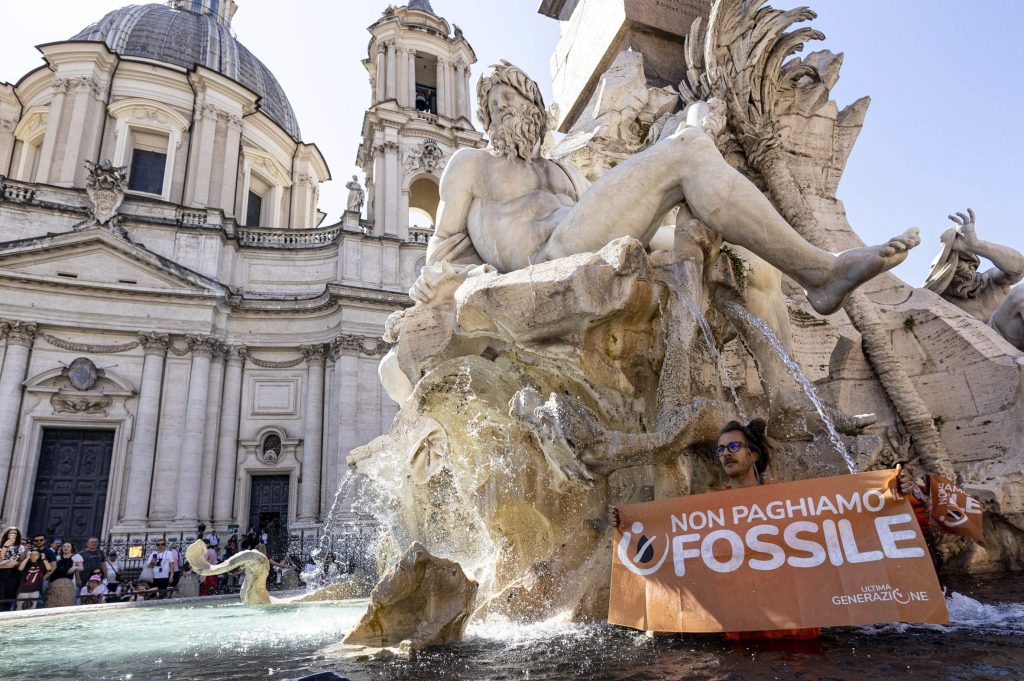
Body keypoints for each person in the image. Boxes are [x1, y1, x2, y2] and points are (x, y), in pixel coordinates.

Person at [410, 61, 919, 318]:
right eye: (492, 105)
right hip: (546, 259)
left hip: (582, 237)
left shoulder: (563, 173)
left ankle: (788, 411)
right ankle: (823, 272)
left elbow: (619, 210)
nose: (501, 110)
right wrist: (447, 280)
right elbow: (441, 253)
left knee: (749, 260)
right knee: (688, 149)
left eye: (509, 98)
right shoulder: (470, 164)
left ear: (534, 105)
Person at [609, 419, 919, 641]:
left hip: (796, 630)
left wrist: (897, 491)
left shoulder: (788, 501)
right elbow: (674, 543)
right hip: (741, 634)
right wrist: (626, 524)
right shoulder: (709, 507)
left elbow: (848, 516)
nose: (726, 453)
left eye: (733, 446)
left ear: (753, 454)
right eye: (720, 450)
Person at [923, 208, 1024, 350]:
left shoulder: (989, 281)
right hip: (979, 350)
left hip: (1008, 336)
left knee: (1021, 293)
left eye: (970, 262)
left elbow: (1018, 268)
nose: (968, 267)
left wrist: (976, 245)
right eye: (958, 261)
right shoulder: (941, 302)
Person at [0, 526, 25, 610]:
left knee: (9, 595)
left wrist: (15, 563)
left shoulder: (20, 547)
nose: (13, 535)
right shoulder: (1, 545)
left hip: (13, 573)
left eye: (15, 533)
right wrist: (6, 546)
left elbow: (22, 561)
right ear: (7, 534)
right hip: (1, 572)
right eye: (11, 533)